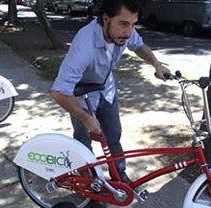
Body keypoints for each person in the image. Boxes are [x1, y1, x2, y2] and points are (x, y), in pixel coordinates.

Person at [51, 0, 169, 184]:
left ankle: (119, 176)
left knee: (113, 134)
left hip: (106, 88)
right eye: (123, 24)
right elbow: (59, 92)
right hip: (81, 93)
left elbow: (139, 46)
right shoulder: (85, 46)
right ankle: (89, 185)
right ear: (106, 19)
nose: (129, 32)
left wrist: (156, 63)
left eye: (133, 24)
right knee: (83, 140)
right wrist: (85, 118)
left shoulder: (124, 32)